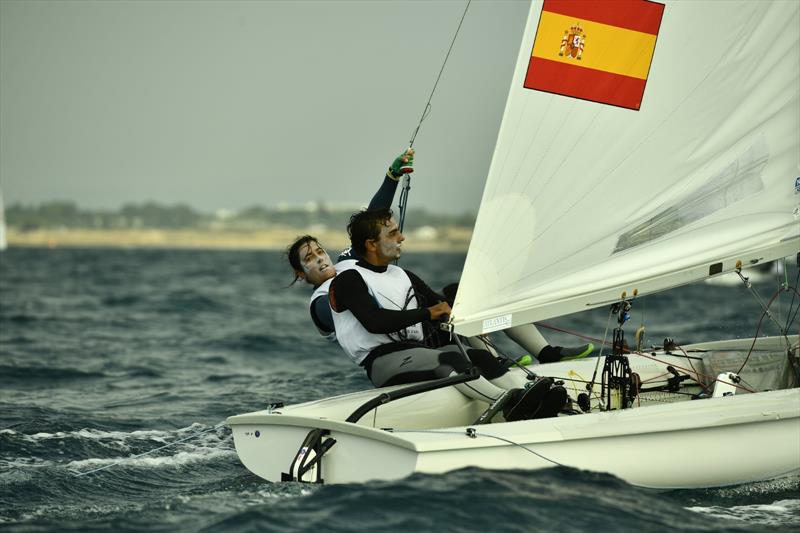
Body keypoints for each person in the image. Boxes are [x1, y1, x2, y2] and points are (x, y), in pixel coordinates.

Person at [329, 207, 567, 421]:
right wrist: (427, 313)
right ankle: (510, 402)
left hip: (418, 352)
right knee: (450, 359)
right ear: (371, 244)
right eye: (392, 234)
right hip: (383, 362)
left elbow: (441, 305)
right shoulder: (349, 279)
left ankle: (528, 397)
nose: (401, 238)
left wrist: (468, 307)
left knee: (480, 357)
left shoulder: (404, 275)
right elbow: (374, 322)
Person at [286, 149, 415, 341]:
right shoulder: (319, 303)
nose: (320, 258)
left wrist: (392, 177)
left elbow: (371, 221)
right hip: (385, 352)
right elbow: (356, 312)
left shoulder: (347, 261)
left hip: (413, 330)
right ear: (301, 274)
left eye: (320, 251)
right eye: (310, 258)